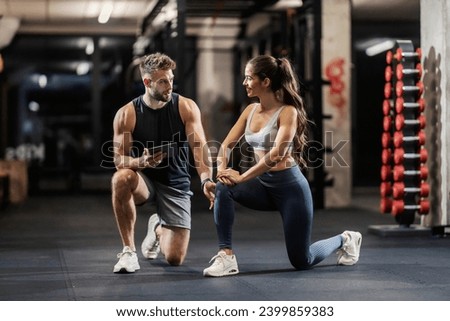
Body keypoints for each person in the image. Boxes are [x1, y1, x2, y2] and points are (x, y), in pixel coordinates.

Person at [202, 55, 362, 277]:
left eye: (249, 78)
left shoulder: (288, 112)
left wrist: (241, 177)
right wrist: (222, 172)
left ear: (265, 81)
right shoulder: (249, 111)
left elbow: (277, 154)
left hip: (291, 189)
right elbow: (226, 145)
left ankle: (345, 239)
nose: (244, 83)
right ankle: (226, 257)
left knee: (301, 260)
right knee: (224, 188)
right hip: (264, 187)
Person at [111, 52, 215, 273]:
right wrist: (142, 161)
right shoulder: (126, 114)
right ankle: (128, 252)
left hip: (175, 183)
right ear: (147, 82)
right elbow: (119, 159)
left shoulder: (185, 107)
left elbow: (199, 147)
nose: (170, 85)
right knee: (121, 178)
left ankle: (158, 227)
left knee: (174, 258)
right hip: (144, 180)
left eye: (171, 79)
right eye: (163, 81)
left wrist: (206, 180)